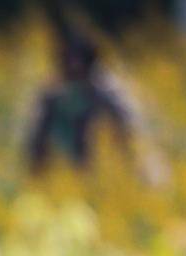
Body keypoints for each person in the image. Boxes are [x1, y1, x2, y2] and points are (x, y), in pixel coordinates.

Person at [26, 15, 146, 176]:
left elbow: (128, 128)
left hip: (104, 168)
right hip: (64, 170)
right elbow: (36, 138)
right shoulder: (52, 94)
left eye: (79, 59)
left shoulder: (107, 90)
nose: (75, 65)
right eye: (69, 59)